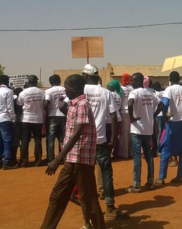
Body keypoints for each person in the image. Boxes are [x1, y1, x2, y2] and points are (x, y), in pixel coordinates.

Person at [41, 75, 105, 229]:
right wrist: (64, 106)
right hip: (72, 159)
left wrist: (58, 158)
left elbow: (77, 133)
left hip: (81, 159)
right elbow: (72, 123)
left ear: (74, 88)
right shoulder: (74, 105)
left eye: (67, 87)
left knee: (89, 200)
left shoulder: (83, 104)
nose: (65, 89)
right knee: (57, 196)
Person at [81, 64, 122, 220]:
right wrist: (113, 139)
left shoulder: (79, 91)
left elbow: (66, 108)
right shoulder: (106, 92)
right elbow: (113, 116)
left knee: (85, 174)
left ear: (85, 76)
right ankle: (110, 207)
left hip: (83, 140)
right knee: (105, 172)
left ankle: (89, 209)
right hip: (101, 139)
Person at [155, 71, 182, 185]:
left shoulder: (169, 89)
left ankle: (161, 177)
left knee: (166, 149)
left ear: (170, 79)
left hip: (173, 122)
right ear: (179, 79)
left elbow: (164, 103)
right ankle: (179, 176)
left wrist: (164, 116)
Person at [126, 73, 160, 193]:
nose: (131, 83)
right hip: (148, 129)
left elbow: (130, 103)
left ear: (137, 82)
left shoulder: (135, 92)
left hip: (136, 129)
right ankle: (150, 182)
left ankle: (136, 184)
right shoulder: (150, 92)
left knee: (137, 157)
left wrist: (132, 118)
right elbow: (161, 104)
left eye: (133, 81)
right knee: (149, 156)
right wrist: (153, 116)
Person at [17, 75, 45, 167]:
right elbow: (44, 104)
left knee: (24, 141)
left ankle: (24, 162)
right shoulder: (41, 92)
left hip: (26, 119)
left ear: (28, 82)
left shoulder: (23, 93)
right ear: (36, 82)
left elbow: (19, 104)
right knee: (37, 140)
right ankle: (38, 161)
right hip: (38, 119)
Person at [0, 75, 18, 170]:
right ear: (7, 81)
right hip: (5, 118)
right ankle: (6, 162)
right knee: (6, 140)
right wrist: (13, 119)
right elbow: (10, 107)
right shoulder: (9, 91)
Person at [44, 74, 67, 163]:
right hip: (63, 115)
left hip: (52, 115)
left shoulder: (49, 91)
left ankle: (51, 158)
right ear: (60, 81)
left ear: (50, 82)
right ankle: (63, 157)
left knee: (51, 138)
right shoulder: (65, 89)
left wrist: (47, 112)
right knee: (63, 138)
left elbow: (46, 103)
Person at [115, 73, 133, 159]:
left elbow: (119, 100)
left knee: (124, 134)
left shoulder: (121, 89)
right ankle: (131, 153)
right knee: (130, 133)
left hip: (123, 111)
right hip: (131, 112)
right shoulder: (132, 88)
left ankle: (124, 153)